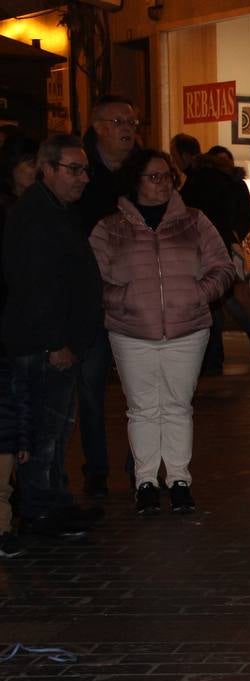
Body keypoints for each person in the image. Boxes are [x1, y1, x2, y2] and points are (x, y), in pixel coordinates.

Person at [89, 150, 235, 515]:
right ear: (135, 181)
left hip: (187, 328)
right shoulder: (110, 228)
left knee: (177, 406)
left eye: (167, 175)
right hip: (131, 330)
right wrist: (125, 298)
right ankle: (146, 482)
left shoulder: (195, 221)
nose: (163, 183)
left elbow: (222, 267)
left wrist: (196, 295)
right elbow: (93, 281)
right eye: (154, 177)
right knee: (141, 409)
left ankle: (180, 480)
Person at [1, 134, 104, 538]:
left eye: (85, 170)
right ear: (47, 169)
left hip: (58, 341)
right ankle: (41, 508)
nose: (82, 178)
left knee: (57, 429)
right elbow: (33, 285)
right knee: (45, 431)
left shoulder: (56, 210)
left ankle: (53, 501)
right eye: (73, 170)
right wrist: (53, 342)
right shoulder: (35, 216)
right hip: (44, 345)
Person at [74, 95, 140, 499]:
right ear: (97, 126)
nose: (128, 127)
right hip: (91, 297)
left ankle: (142, 466)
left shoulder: (141, 171)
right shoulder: (80, 172)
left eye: (132, 120)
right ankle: (96, 468)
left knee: (140, 388)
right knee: (90, 387)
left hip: (136, 297)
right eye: (118, 120)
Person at [171, 134, 250, 369]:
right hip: (220, 246)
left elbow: (197, 217)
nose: (174, 161)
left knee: (215, 302)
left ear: (184, 155)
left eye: (174, 155)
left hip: (208, 250)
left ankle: (214, 355)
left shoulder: (200, 180)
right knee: (219, 300)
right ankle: (218, 353)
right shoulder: (215, 178)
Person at [0, 353, 30, 558]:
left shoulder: (8, 367)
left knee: (2, 490)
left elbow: (22, 405)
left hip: (5, 439)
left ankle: (3, 532)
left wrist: (23, 441)